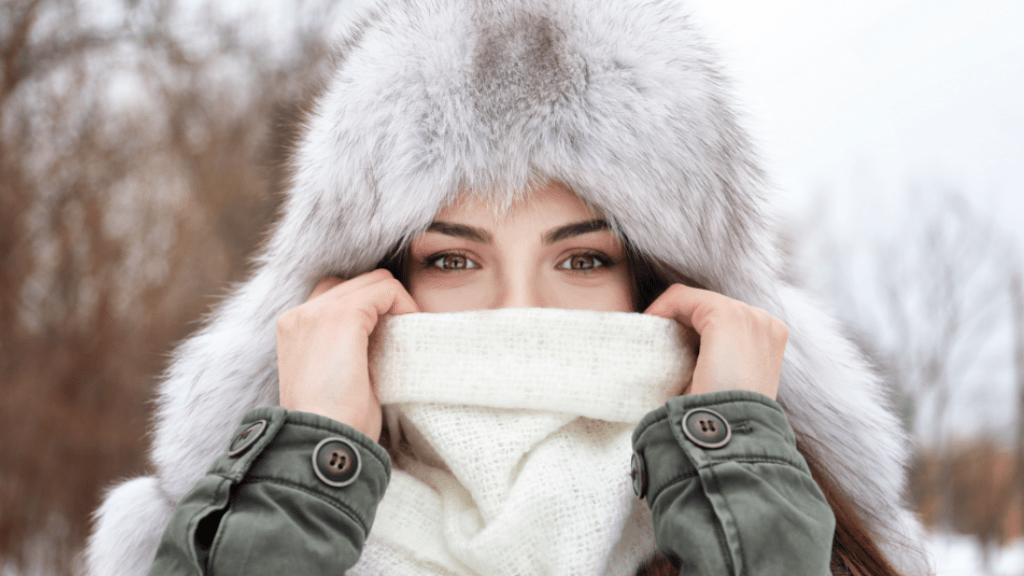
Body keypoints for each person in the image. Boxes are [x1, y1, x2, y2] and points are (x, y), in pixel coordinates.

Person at [84, 0, 930, 575]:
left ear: (666, 285)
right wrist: (301, 482)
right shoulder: (214, 541)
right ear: (367, 291)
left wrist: (743, 494)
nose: (519, 314)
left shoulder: (821, 543)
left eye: (584, 260)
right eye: (454, 261)